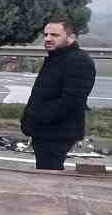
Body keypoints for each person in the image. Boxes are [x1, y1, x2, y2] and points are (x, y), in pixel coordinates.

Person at [21, 18, 97, 170]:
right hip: (45, 130)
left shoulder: (78, 61)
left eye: (55, 35)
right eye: (46, 35)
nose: (48, 38)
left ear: (71, 37)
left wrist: (40, 116)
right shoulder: (56, 58)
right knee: (46, 172)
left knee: (50, 175)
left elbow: (72, 100)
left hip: (57, 132)